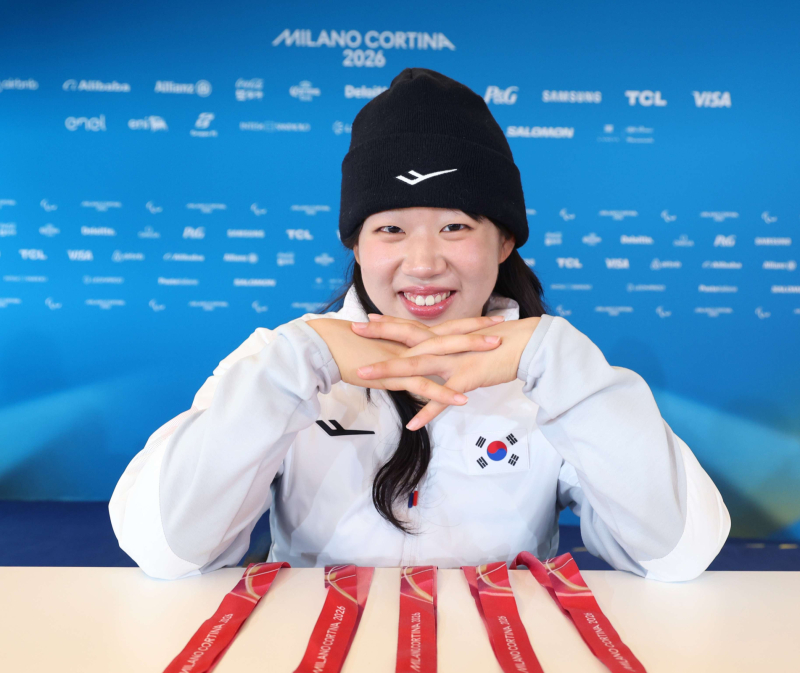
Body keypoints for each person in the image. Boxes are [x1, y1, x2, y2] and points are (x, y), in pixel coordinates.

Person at [109, 68, 729, 582]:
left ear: (505, 240)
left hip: (507, 670)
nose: (425, 262)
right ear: (356, 245)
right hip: (311, 670)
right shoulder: (283, 364)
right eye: (391, 229)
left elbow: (677, 554)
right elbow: (167, 552)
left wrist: (556, 361)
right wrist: (295, 364)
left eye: (456, 226)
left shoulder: (553, 376)